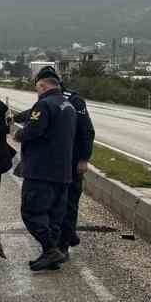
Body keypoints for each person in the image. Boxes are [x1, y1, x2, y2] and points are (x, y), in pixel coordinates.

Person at [11, 65, 76, 272]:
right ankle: (52, 257)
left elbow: (34, 129)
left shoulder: (44, 105)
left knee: (32, 212)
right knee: (54, 216)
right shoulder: (68, 105)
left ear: (42, 85)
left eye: (37, 88)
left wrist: (17, 134)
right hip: (63, 171)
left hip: (41, 171)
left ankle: (50, 250)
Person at [59, 85, 97, 250]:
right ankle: (67, 235)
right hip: (56, 162)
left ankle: (64, 243)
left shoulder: (74, 101)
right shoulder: (48, 99)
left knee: (69, 203)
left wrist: (84, 159)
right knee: (56, 203)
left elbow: (87, 131)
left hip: (73, 161)